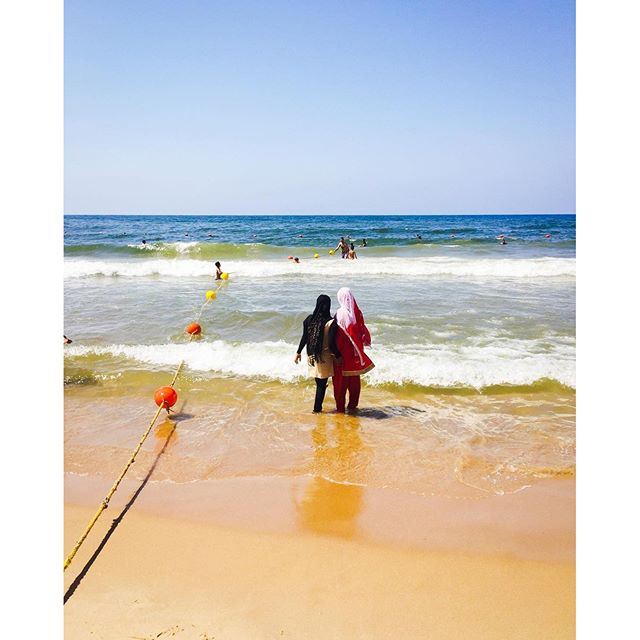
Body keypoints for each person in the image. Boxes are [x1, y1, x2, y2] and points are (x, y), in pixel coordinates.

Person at [294, 295, 341, 413]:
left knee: (319, 382)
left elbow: (304, 337)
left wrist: (298, 352)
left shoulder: (309, 319)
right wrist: (338, 355)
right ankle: (317, 409)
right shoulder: (331, 322)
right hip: (324, 356)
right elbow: (331, 343)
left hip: (312, 355)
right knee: (322, 384)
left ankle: (317, 408)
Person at [332, 288, 374, 413]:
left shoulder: (339, 314)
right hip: (356, 354)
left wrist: (334, 353)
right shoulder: (358, 313)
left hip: (342, 354)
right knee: (354, 382)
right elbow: (362, 331)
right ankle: (352, 406)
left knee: (340, 383)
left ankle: (340, 409)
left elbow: (335, 335)